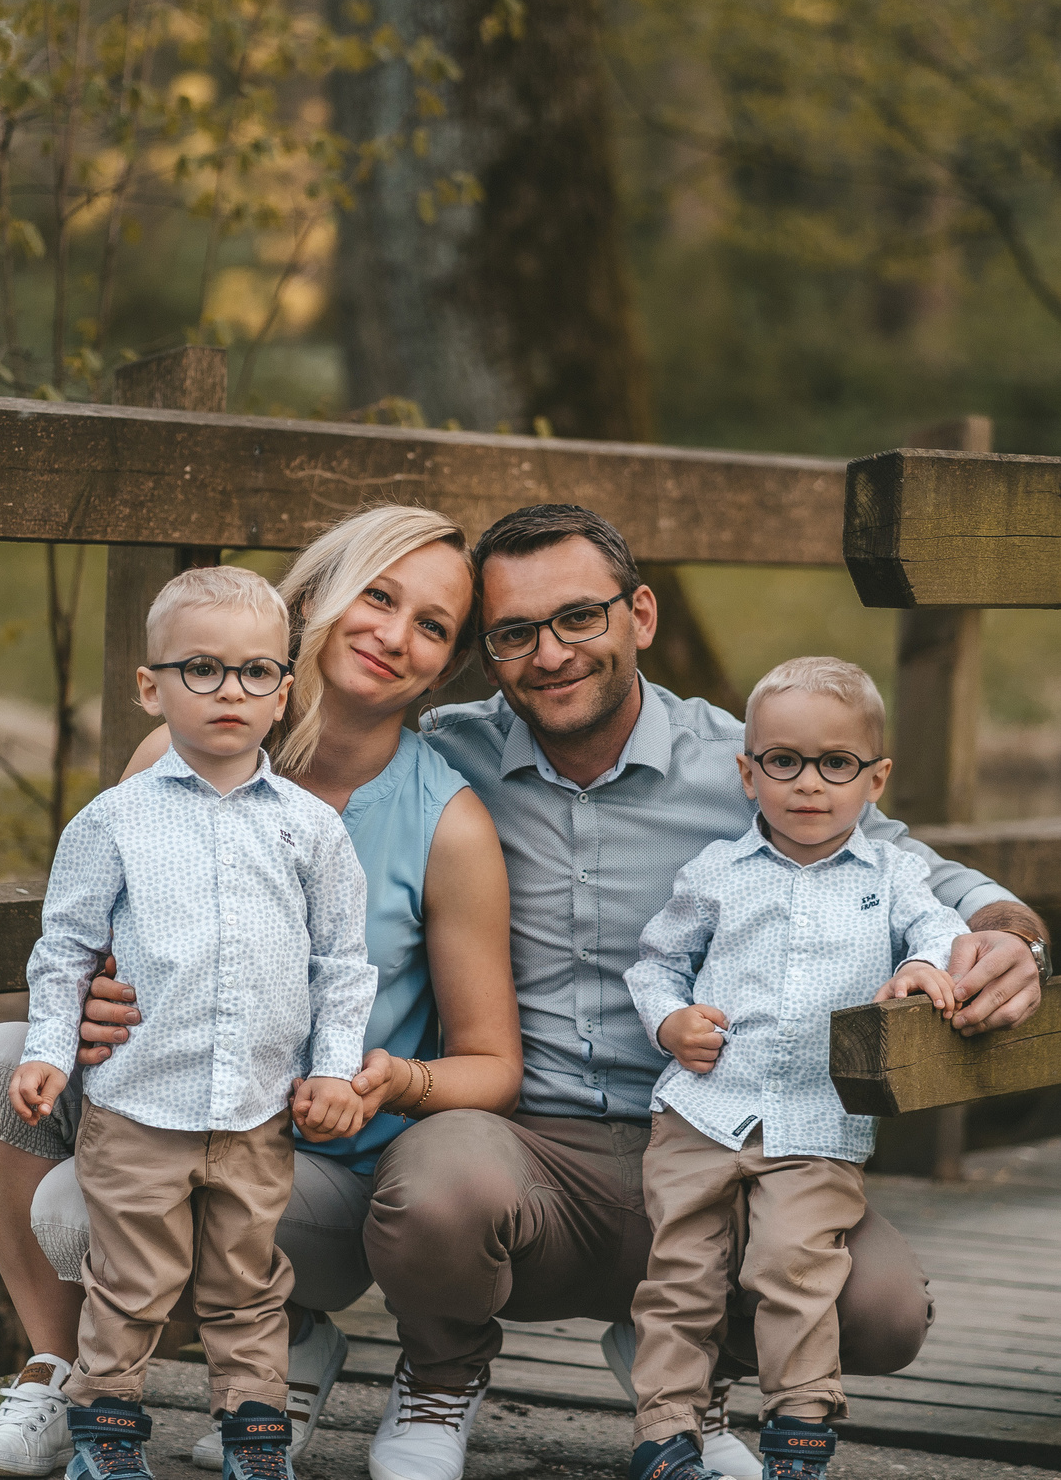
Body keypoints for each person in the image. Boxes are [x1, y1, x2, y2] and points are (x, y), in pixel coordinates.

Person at [356, 503, 1049, 1480]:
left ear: (640, 614)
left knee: (884, 1312)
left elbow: (916, 873)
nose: (548, 653)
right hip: (521, 1146)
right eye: (513, 633)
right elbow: (303, 771)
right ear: (487, 651)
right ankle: (439, 1370)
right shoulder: (444, 754)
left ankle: (689, 1367)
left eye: (579, 618)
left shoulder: (744, 763)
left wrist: (1013, 936)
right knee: (430, 1192)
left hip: (724, 1145)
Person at [0, 506, 521, 1480]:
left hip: (306, 1157)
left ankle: (281, 1341)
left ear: (446, 663)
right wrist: (84, 1006)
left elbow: (493, 1066)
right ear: (315, 601)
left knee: (78, 1212)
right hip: (156, 1096)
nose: (394, 634)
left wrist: (390, 1080)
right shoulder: (162, 763)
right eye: (376, 596)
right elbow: (84, 938)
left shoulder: (446, 824)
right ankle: (56, 1374)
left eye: (431, 624)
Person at [9, 563, 377, 1480]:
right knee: (129, 1284)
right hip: (139, 1106)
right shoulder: (114, 822)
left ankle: (255, 1438)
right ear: (152, 686)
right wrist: (53, 1045)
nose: (230, 692)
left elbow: (340, 962)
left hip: (254, 1111)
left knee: (248, 1286)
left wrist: (331, 1067)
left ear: (284, 692)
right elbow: (65, 948)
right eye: (201, 669)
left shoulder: (310, 829)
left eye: (257, 672)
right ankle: (106, 1435)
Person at [623, 656, 972, 1480]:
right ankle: (666, 1432)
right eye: (783, 761)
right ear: (749, 772)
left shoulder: (891, 878)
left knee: (793, 1267)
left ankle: (797, 1434)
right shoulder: (716, 873)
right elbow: (655, 964)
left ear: (875, 777)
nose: (808, 784)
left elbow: (937, 928)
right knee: (681, 1274)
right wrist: (671, 1020)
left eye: (835, 763)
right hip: (704, 1112)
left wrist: (925, 967)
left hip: (817, 1123)